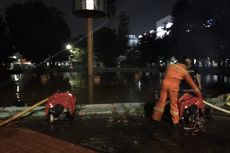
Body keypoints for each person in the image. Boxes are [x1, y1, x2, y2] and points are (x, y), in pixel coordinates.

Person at [151, 59, 202, 127]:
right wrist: (199, 95)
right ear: (187, 65)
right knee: (173, 104)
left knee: (161, 101)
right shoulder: (184, 71)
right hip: (173, 87)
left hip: (164, 84)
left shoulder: (171, 66)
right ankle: (175, 122)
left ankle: (155, 118)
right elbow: (192, 85)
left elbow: (166, 75)